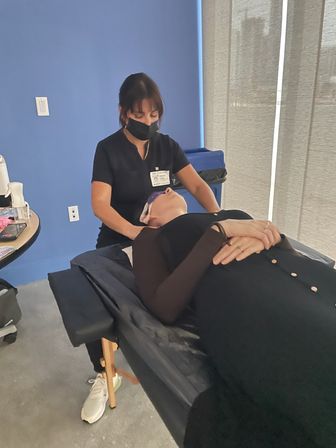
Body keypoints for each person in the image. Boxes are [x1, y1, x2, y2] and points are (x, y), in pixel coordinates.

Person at [133, 188, 336, 447]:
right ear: (147, 216)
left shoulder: (223, 214)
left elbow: (284, 250)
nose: (170, 188)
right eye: (158, 194)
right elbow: (164, 306)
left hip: (310, 277)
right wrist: (219, 231)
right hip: (258, 301)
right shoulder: (151, 237)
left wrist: (272, 238)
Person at [82, 73, 221, 424]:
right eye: (140, 115)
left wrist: (219, 218)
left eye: (153, 115)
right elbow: (100, 204)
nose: (148, 122)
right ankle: (104, 373)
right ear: (123, 112)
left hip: (162, 240)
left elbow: (198, 185)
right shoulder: (107, 149)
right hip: (117, 239)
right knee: (94, 302)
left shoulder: (166, 146)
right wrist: (134, 232)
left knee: (178, 297)